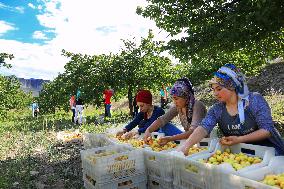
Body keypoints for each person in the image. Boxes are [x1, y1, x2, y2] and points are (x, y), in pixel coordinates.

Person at [177, 64, 284, 156]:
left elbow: (267, 130)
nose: (215, 93)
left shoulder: (253, 100)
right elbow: (203, 128)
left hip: (271, 155)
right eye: (213, 89)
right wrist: (186, 146)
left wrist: (239, 139)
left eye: (219, 89)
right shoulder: (217, 109)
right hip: (241, 156)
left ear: (232, 86)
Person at [143, 77, 207, 145]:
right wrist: (148, 130)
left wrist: (170, 138)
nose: (174, 102)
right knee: (164, 126)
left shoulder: (197, 106)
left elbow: (194, 132)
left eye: (176, 99)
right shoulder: (178, 107)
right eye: (173, 99)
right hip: (187, 138)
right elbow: (162, 119)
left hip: (201, 142)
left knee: (166, 134)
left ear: (185, 96)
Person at [116, 90, 182, 139]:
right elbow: (134, 121)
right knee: (141, 124)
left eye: (142, 106)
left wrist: (136, 131)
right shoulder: (143, 112)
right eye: (139, 106)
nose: (140, 109)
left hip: (163, 134)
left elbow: (150, 125)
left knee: (143, 125)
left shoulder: (158, 111)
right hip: (152, 135)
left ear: (148, 104)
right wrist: (124, 130)